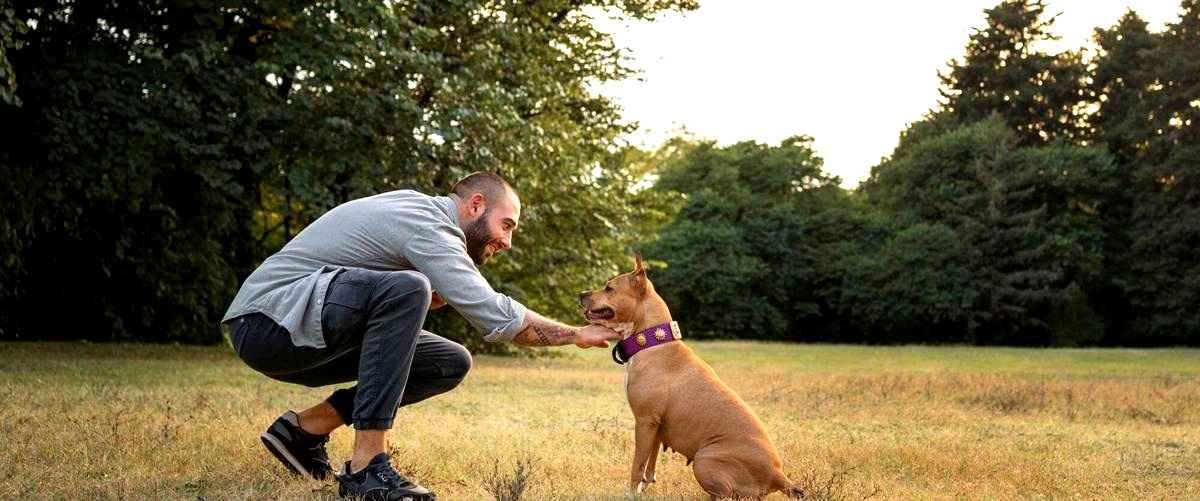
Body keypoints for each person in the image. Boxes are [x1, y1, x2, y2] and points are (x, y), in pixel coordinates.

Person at [222, 172, 620, 500]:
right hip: (265, 325)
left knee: (448, 361)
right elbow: (494, 315)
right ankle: (366, 469)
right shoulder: (428, 223)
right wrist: (575, 334)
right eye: (506, 225)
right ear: (476, 205)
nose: (508, 242)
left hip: (304, 333)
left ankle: (303, 431)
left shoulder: (423, 219)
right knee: (408, 288)